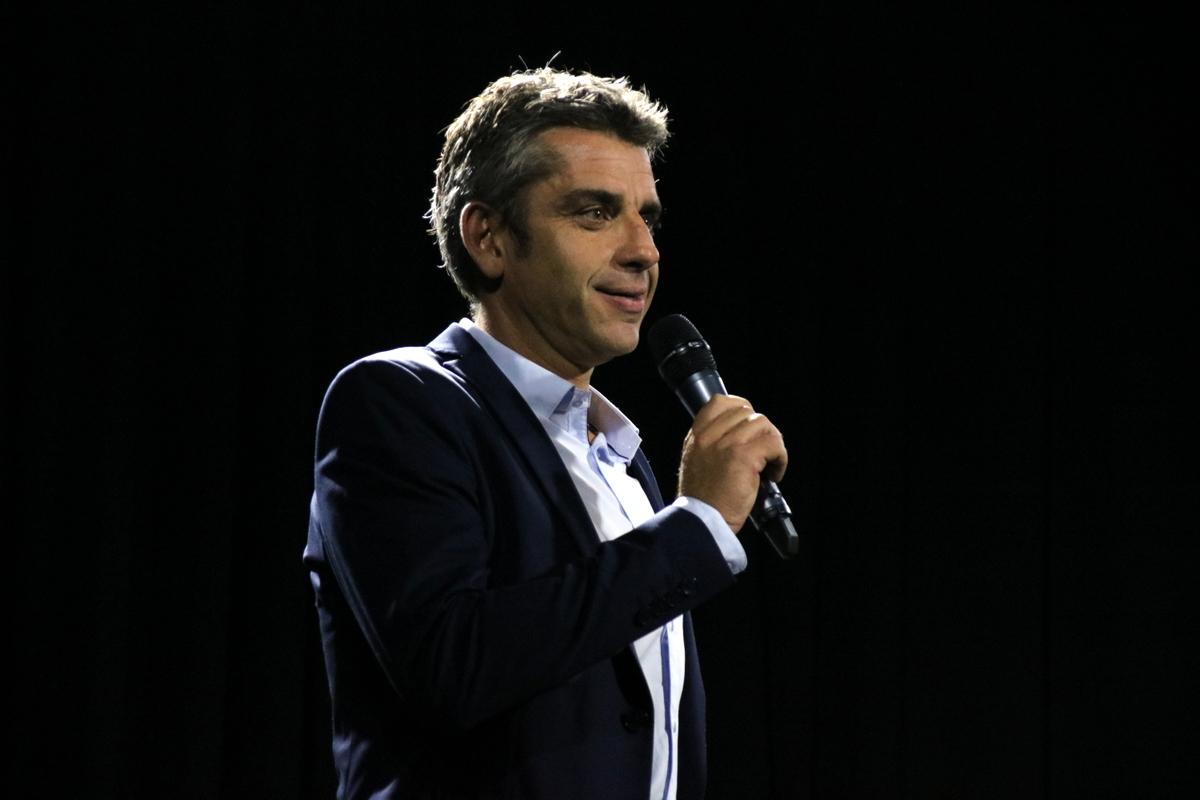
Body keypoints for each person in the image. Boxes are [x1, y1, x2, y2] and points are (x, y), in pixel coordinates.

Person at [304, 68, 787, 800]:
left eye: (647, 217)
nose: (644, 251)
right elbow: (452, 666)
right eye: (595, 213)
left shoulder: (622, 462)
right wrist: (696, 525)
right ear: (489, 237)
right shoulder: (399, 403)